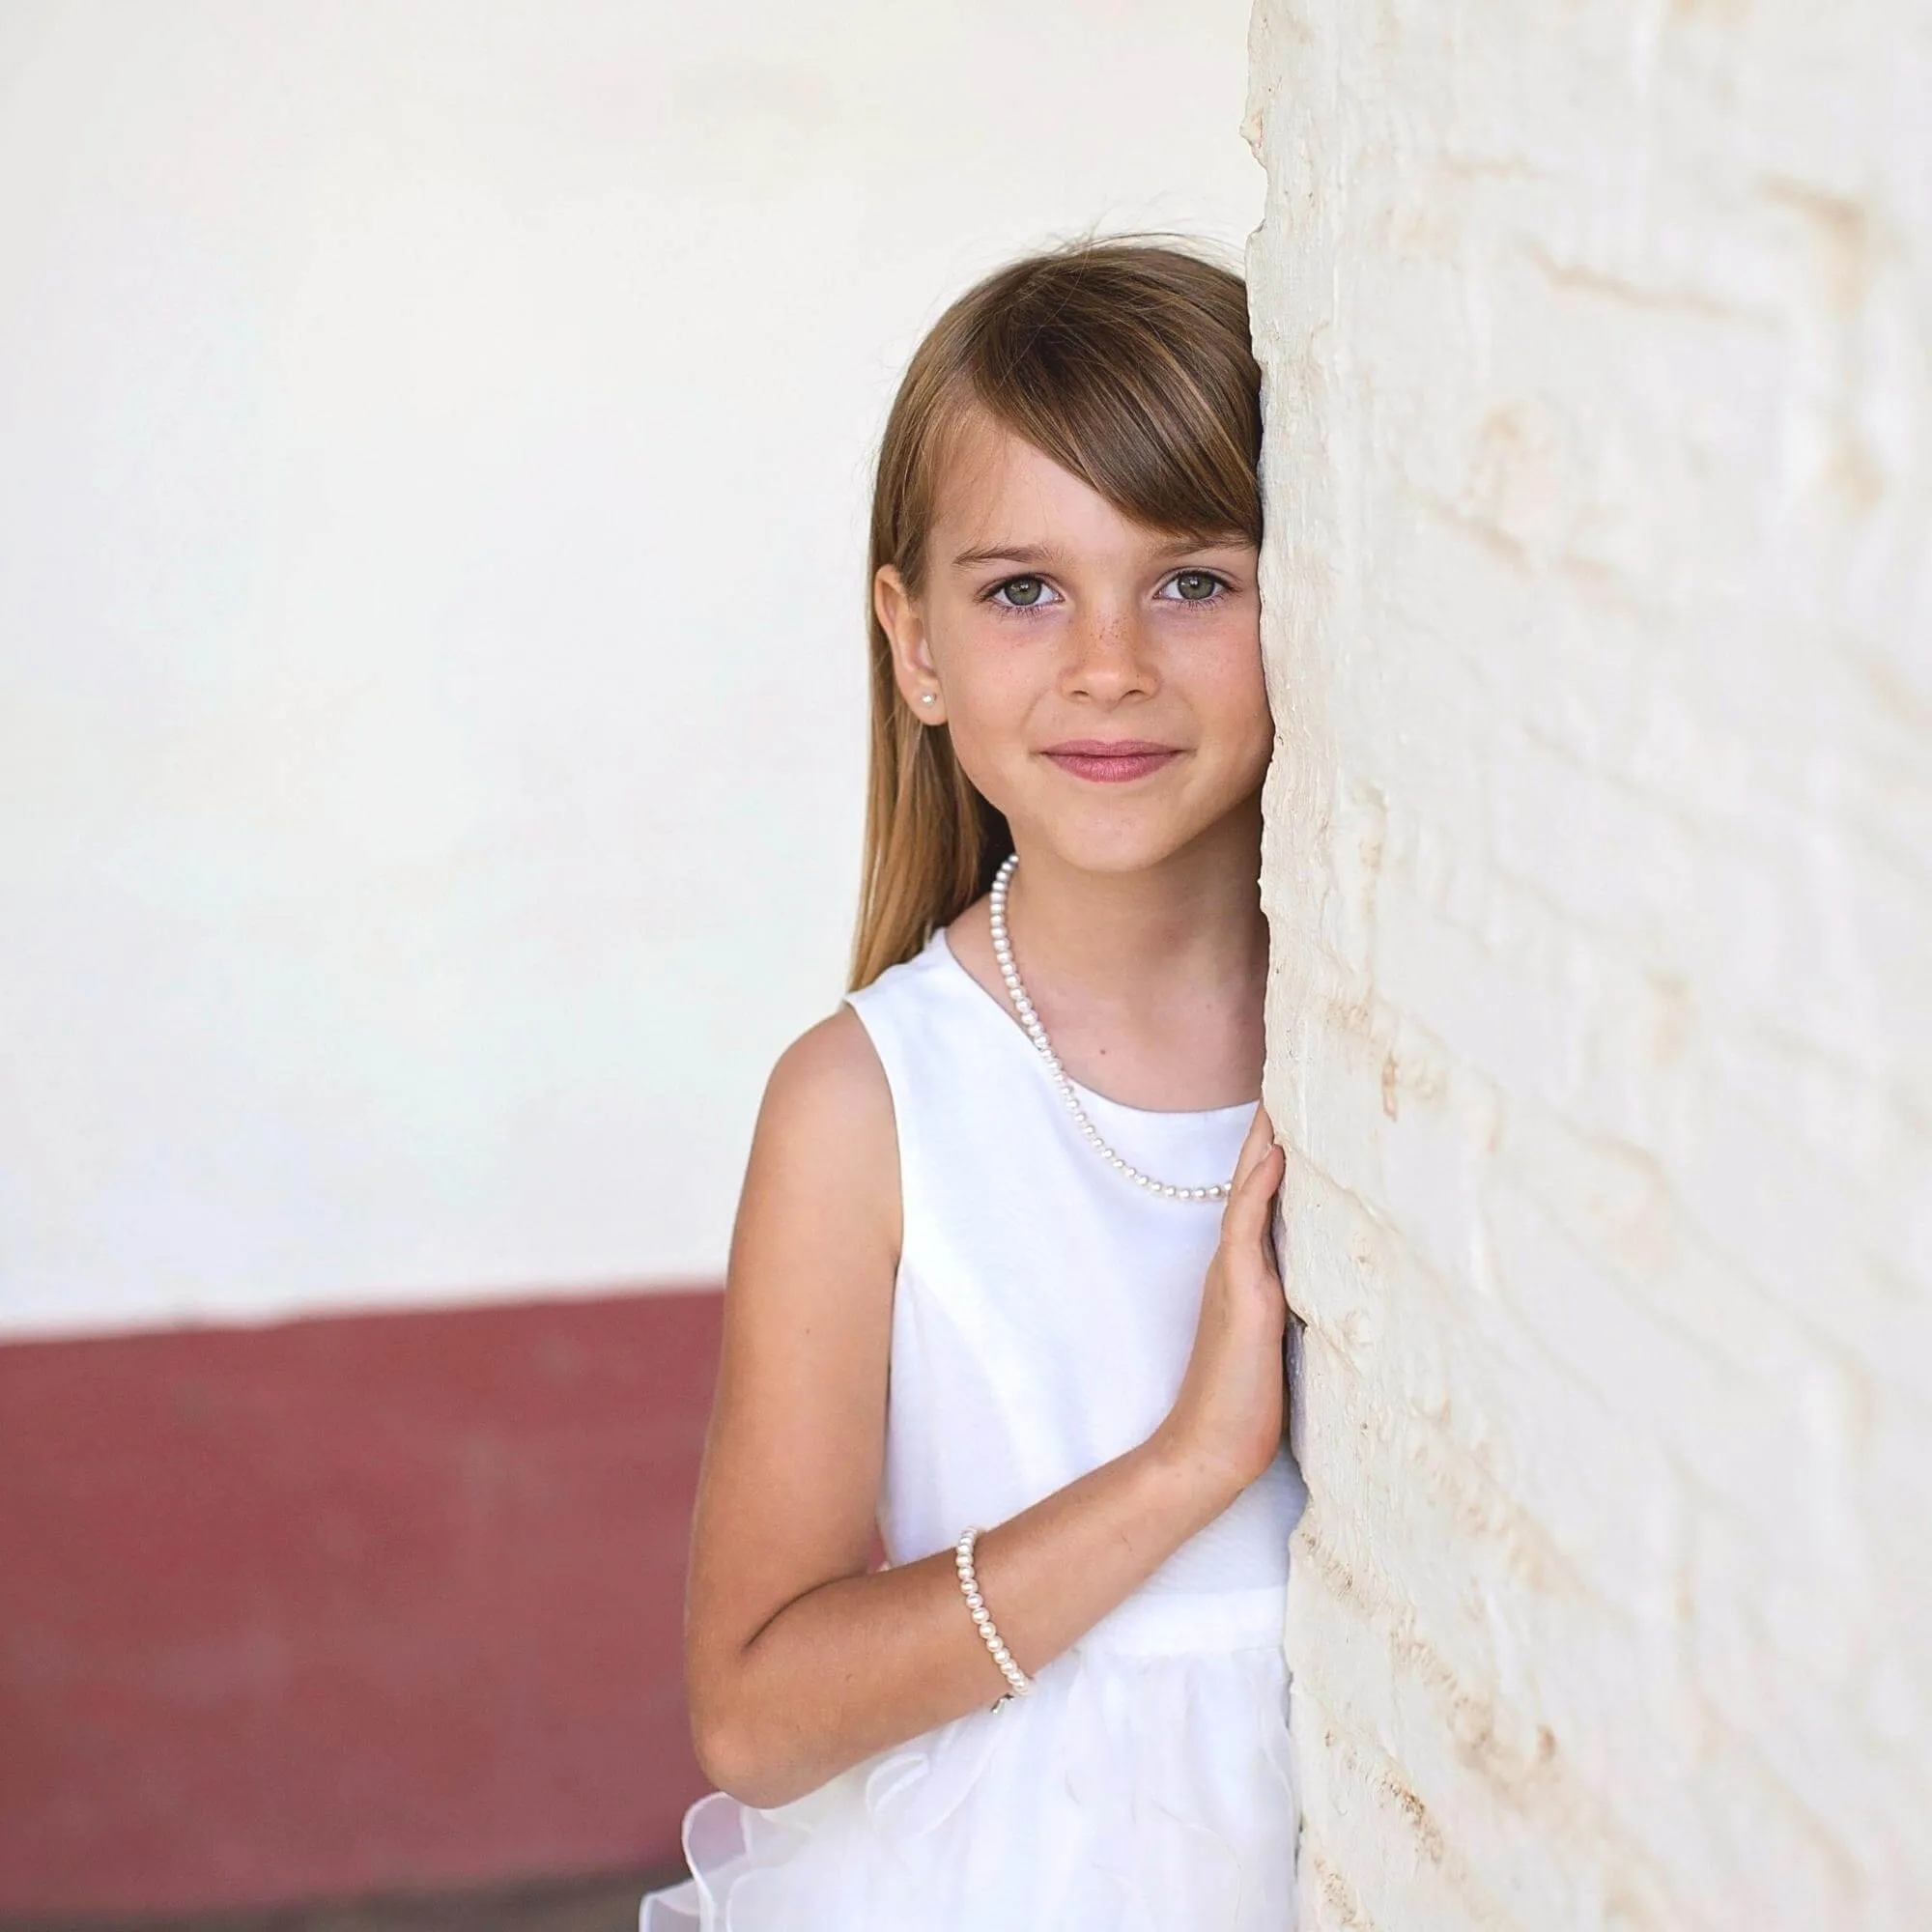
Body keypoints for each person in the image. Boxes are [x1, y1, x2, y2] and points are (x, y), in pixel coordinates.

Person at [641, 239, 1307, 1931]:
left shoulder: (1376, 1046)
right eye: (1023, 589)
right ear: (914, 647)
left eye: (1193, 579)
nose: (1107, 662)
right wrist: (1183, 1465)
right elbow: (755, 1711)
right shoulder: (867, 1107)